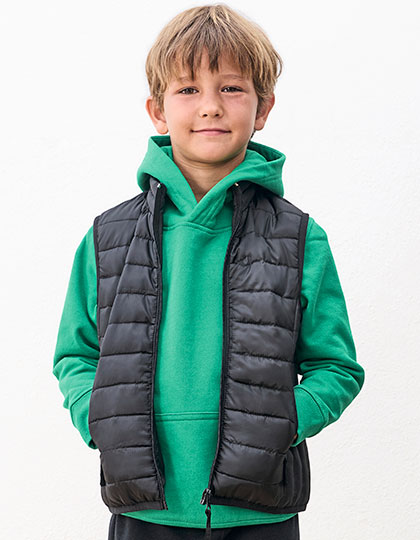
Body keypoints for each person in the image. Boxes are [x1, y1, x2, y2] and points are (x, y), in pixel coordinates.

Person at [52, 4, 365, 539]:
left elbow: (337, 368)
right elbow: (75, 356)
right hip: (144, 510)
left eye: (232, 88)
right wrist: (100, 420)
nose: (211, 106)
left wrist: (281, 424)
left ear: (263, 108)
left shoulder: (299, 238)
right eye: (188, 89)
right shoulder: (108, 236)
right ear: (157, 110)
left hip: (259, 509)